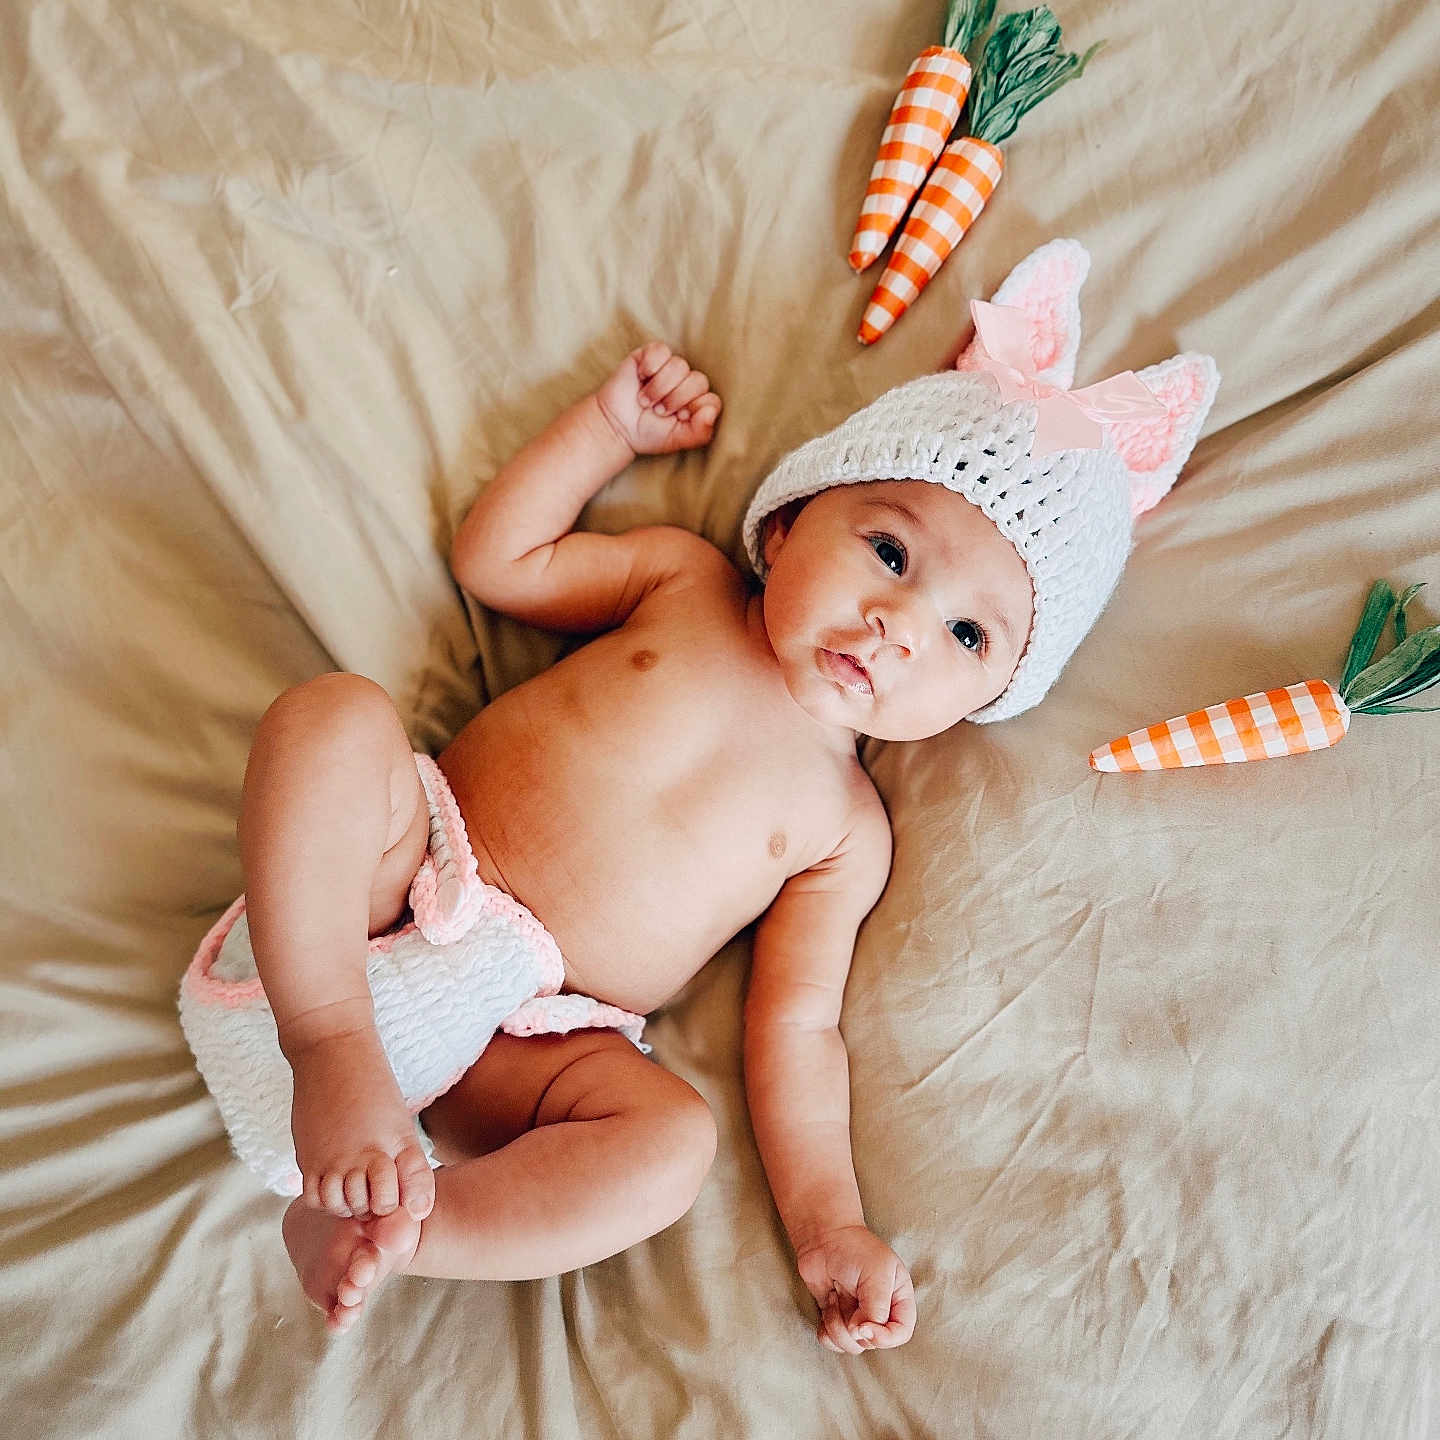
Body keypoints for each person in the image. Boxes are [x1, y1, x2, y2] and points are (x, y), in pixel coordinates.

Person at [178, 238, 1217, 1353]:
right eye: (889, 552)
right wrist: (607, 433)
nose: (899, 626)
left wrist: (832, 1226)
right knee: (334, 717)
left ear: (990, 697)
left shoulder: (847, 834)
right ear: (787, 523)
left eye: (968, 634)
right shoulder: (683, 580)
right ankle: (331, 1048)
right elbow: (503, 562)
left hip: (518, 1043)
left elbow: (797, 1030)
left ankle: (399, 1231)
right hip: (388, 889)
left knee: (671, 1144)